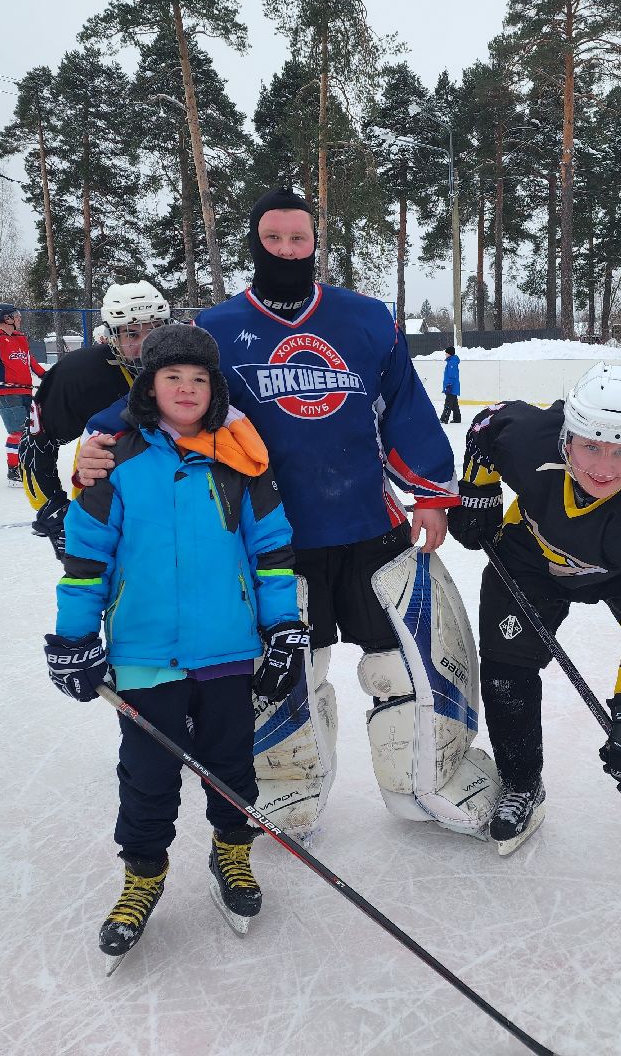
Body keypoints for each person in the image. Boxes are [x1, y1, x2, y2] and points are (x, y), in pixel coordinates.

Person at [75, 187, 496, 842]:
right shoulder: (213, 331)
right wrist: (99, 439)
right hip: (270, 543)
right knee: (291, 674)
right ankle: (285, 789)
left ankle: (433, 777)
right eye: (274, 239)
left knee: (403, 666)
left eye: (299, 239)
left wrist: (435, 494)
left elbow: (402, 408)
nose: (287, 250)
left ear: (314, 244)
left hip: (370, 530)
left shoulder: (365, 320)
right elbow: (157, 402)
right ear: (255, 244)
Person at [44, 325, 303, 956]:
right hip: (144, 652)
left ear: (214, 388)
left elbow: (271, 552)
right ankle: (142, 877)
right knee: (148, 774)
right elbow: (85, 559)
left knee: (232, 766)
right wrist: (73, 639)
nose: (185, 389)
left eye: (198, 378)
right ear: (148, 384)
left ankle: (232, 853)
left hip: (228, 649)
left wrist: (284, 627)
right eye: (171, 377)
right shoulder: (114, 459)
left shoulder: (243, 457)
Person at [447, 362, 621, 857]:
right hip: (533, 554)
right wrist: (479, 494)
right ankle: (521, 782)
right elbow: (486, 426)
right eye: (591, 446)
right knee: (507, 667)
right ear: (568, 436)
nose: (603, 467)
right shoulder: (530, 438)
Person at [22, 281, 170, 558]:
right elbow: (37, 444)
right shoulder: (80, 374)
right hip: (105, 511)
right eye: (132, 333)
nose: (146, 343)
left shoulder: (190, 365)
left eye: (155, 329)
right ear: (112, 336)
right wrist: (50, 504)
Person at [0, 303, 46, 486]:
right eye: (16, 315)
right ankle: (14, 471)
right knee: (18, 432)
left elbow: (29, 359)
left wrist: (45, 375)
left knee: (31, 430)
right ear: (7, 318)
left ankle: (26, 465)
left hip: (24, 390)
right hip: (6, 393)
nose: (19, 318)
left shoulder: (20, 337)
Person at [439, 345, 462, 423]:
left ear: (450, 353)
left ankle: (444, 418)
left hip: (451, 387)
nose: (445, 354)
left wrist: (449, 385)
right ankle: (457, 418)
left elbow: (452, 376)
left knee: (448, 403)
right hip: (453, 386)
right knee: (454, 404)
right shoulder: (452, 362)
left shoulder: (452, 362)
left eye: (446, 353)